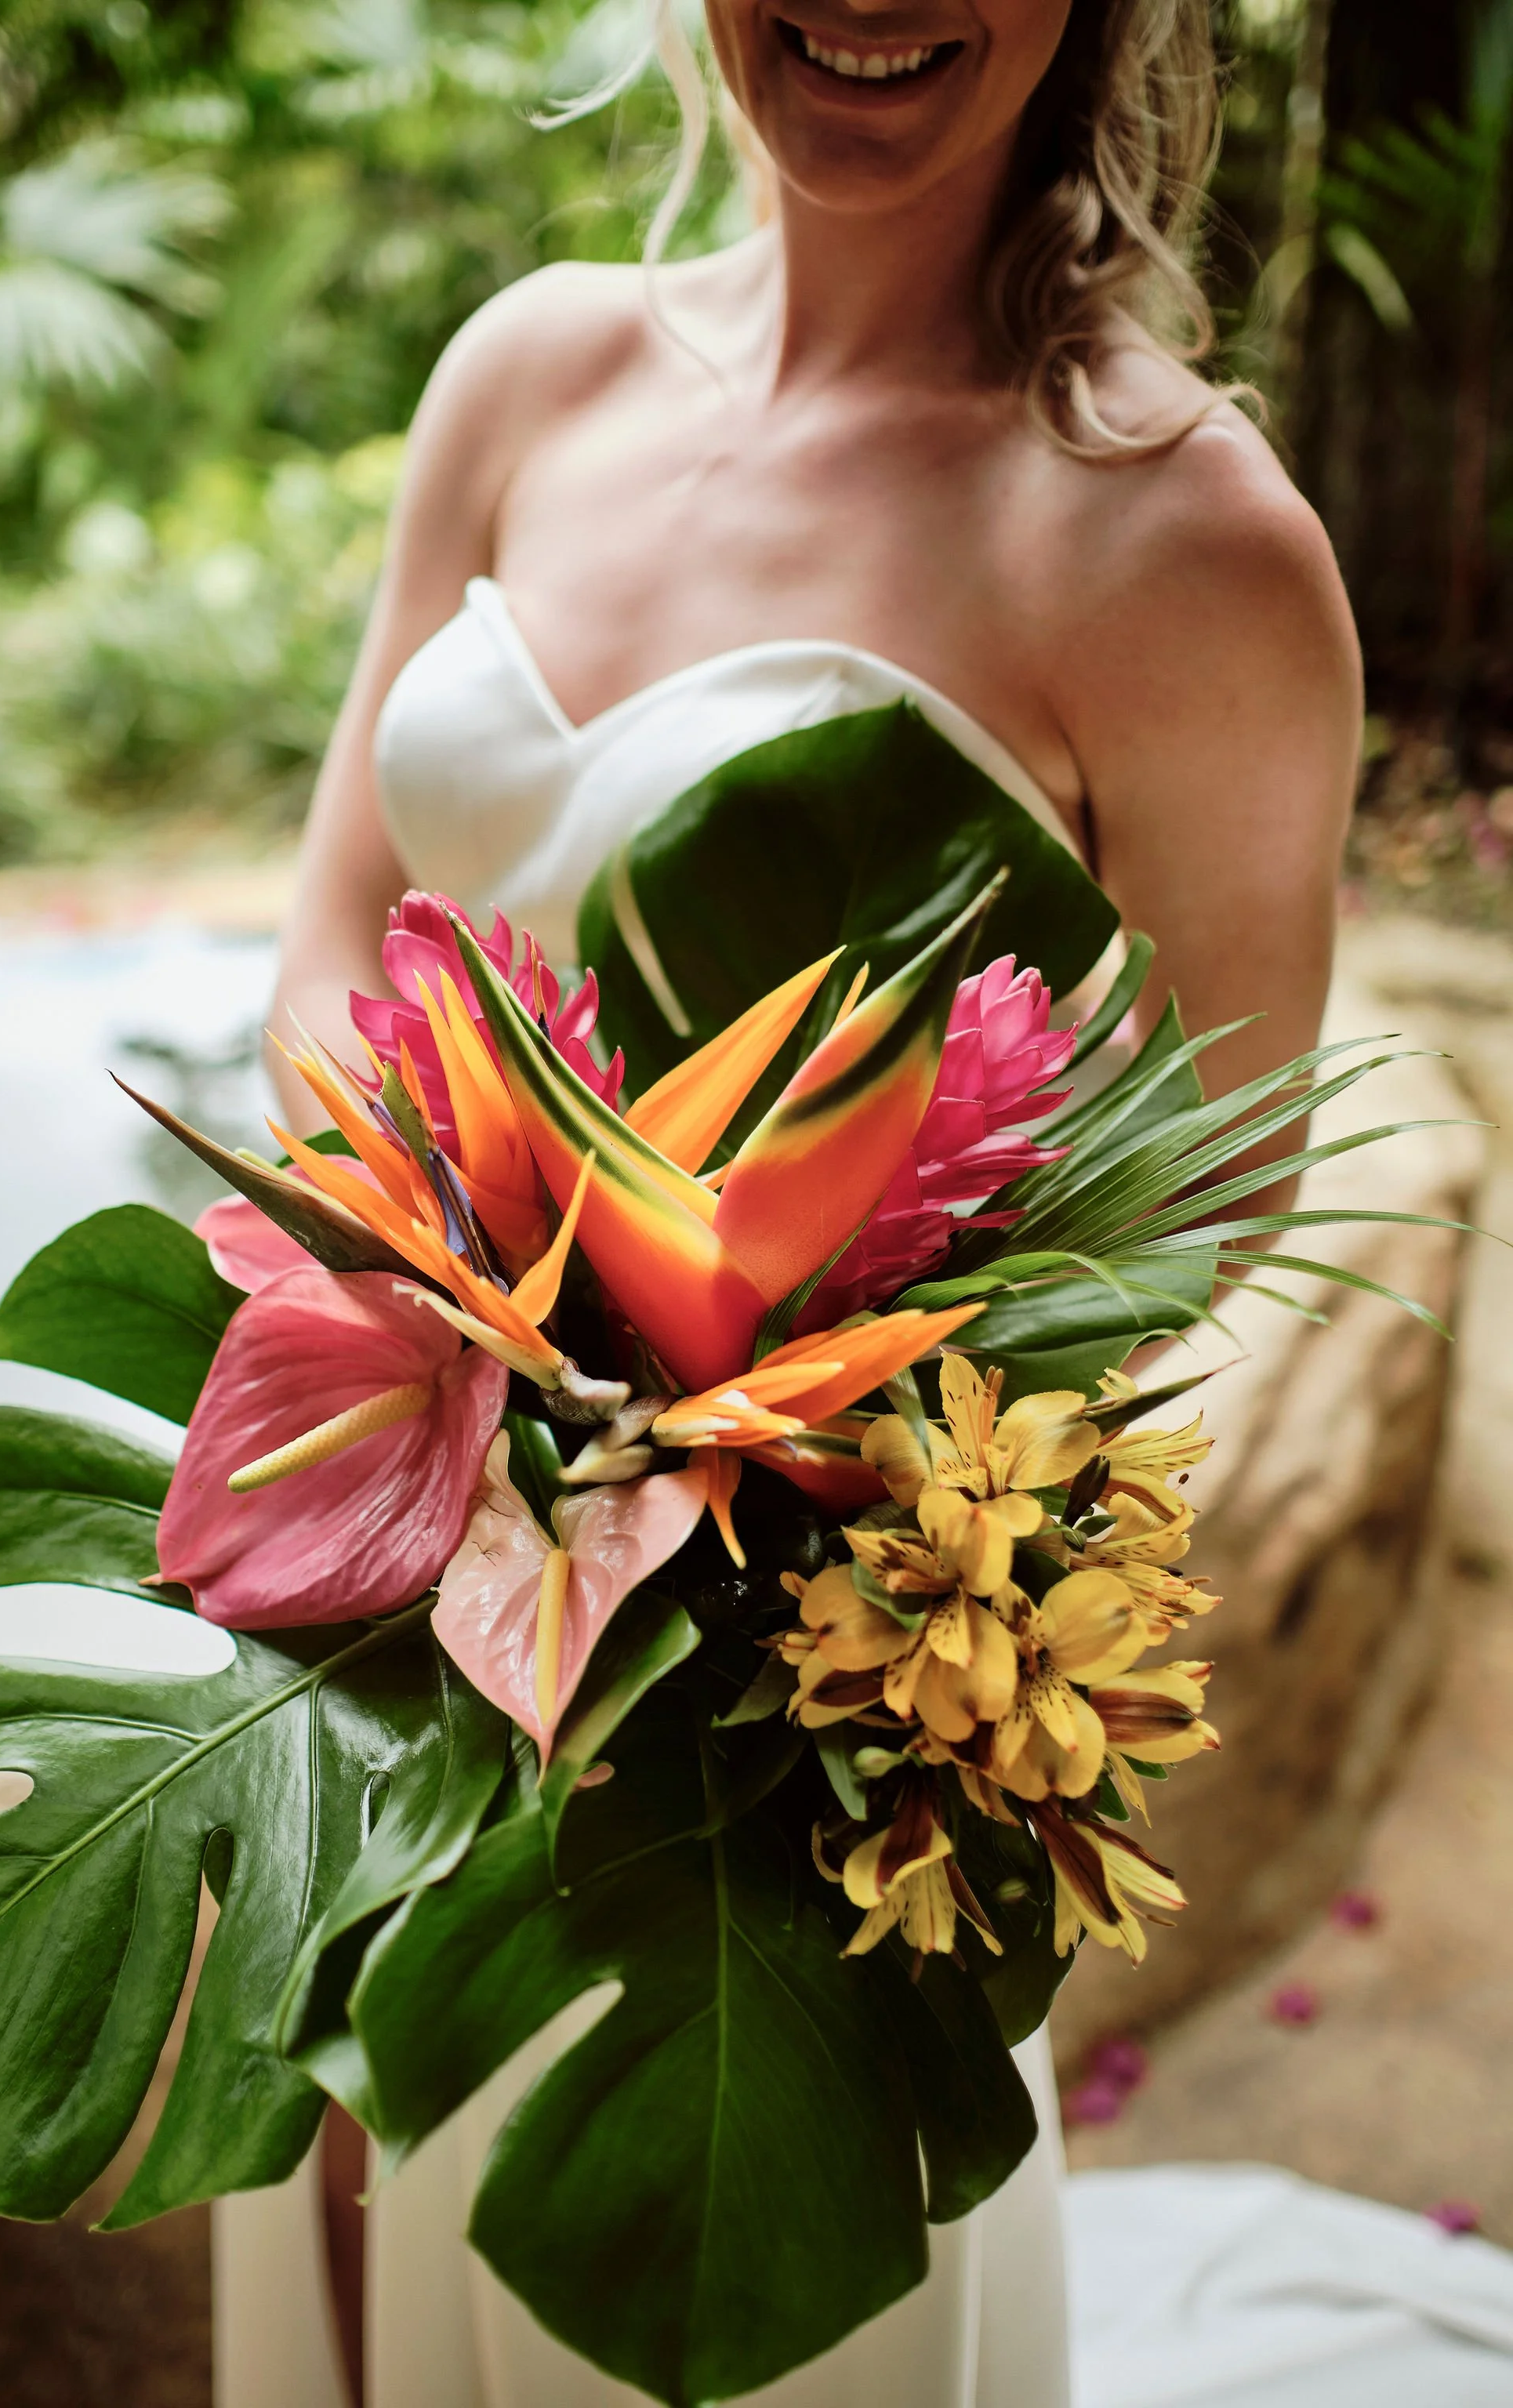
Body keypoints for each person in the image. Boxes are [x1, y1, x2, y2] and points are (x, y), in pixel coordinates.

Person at [253, 3, 1363, 2399]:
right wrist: (449, 1382)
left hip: (764, 1760)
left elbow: (1195, 1217)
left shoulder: (1189, 547)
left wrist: (682, 1463)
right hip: (389, 1600)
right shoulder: (524, 376)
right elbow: (332, 950)